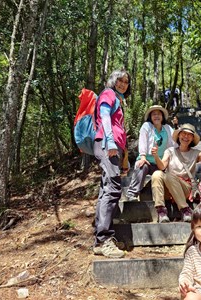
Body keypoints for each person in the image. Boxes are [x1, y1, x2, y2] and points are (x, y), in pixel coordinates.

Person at [151, 123, 201, 223]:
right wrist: (156, 156)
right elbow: (162, 166)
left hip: (185, 188)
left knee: (169, 176)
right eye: (183, 133)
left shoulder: (195, 153)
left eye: (189, 135)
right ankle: (161, 210)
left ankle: (185, 210)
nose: (186, 137)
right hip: (169, 188)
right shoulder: (170, 151)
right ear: (178, 135)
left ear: (192, 138)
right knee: (157, 174)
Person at [92, 68, 131, 258]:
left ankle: (100, 241)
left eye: (126, 82)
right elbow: (104, 117)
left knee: (107, 188)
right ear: (113, 81)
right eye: (120, 81)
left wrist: (124, 156)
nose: (123, 84)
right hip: (108, 145)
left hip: (114, 147)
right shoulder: (108, 94)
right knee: (113, 189)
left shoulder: (118, 99)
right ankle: (104, 239)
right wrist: (109, 141)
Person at [126, 105, 177, 201]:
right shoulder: (147, 126)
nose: (156, 116)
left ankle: (171, 196)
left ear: (162, 117)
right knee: (141, 165)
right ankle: (132, 193)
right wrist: (143, 157)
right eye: (154, 114)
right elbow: (142, 141)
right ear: (150, 117)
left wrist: (176, 125)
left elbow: (175, 142)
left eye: (158, 114)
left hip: (161, 162)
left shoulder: (167, 128)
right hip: (148, 160)